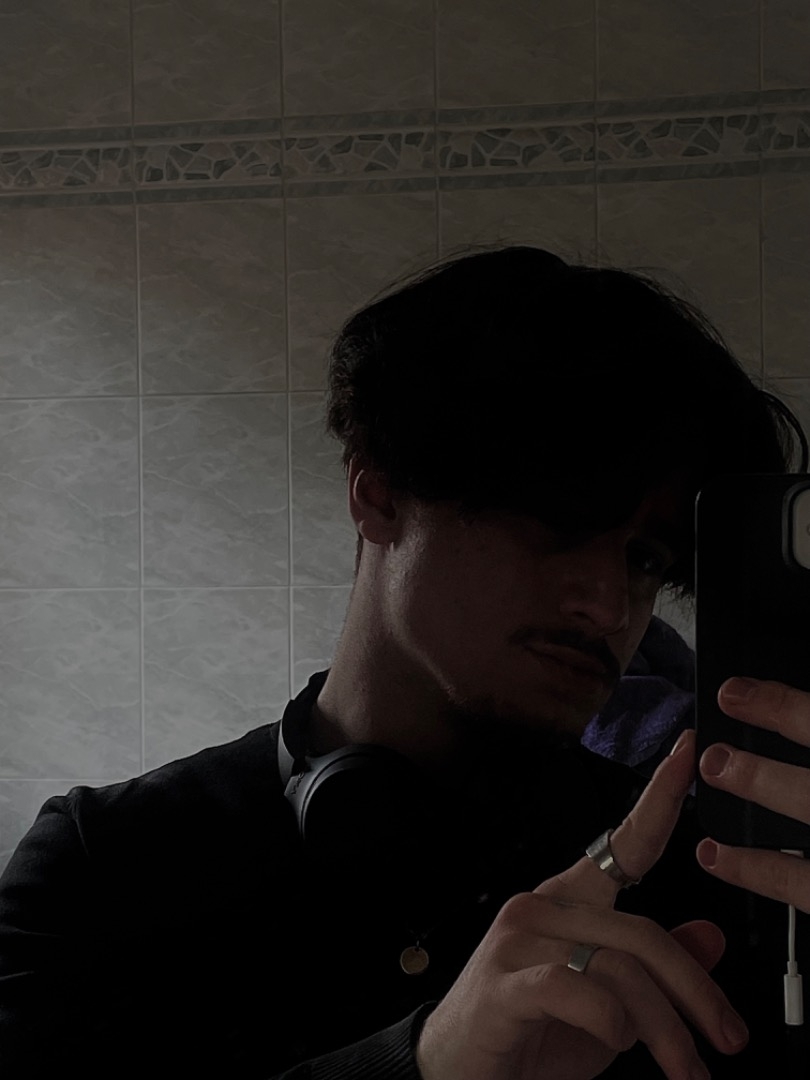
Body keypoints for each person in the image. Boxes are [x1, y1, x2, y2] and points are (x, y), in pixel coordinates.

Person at [0, 243, 809, 1079]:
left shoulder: (705, 882)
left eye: (644, 558)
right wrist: (419, 1066)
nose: (610, 606)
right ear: (379, 491)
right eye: (559, 522)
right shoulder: (102, 873)